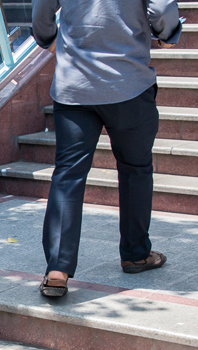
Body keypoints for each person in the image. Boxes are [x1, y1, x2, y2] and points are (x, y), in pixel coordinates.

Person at [31, 0, 182, 297]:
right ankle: (136, 254)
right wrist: (166, 35)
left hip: (74, 87)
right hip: (129, 85)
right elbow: (162, 8)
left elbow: (41, 10)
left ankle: (57, 270)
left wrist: (48, 39)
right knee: (136, 170)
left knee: (68, 176)